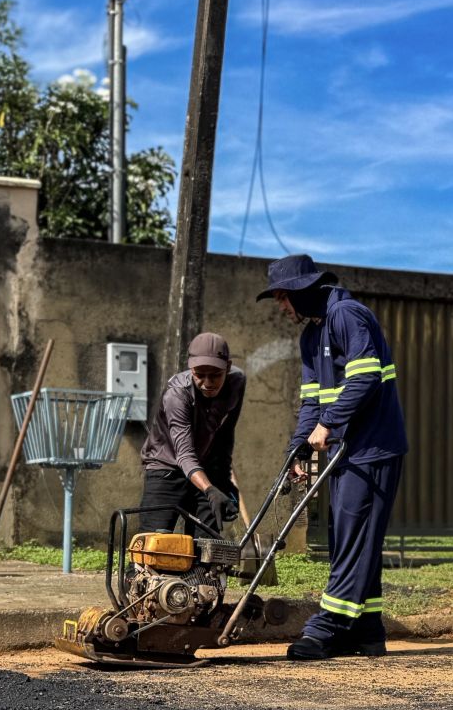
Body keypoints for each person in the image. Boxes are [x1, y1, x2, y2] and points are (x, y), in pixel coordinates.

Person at [258, 254, 407, 659]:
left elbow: (366, 377)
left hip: (373, 448)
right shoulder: (311, 337)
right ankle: (367, 630)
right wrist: (299, 450)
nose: (281, 307)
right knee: (350, 537)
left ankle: (327, 627)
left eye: (283, 298)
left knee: (353, 538)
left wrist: (328, 425)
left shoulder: (347, 315)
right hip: (345, 452)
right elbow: (310, 403)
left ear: (303, 291)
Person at [138, 332, 247, 534]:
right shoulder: (177, 394)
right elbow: (184, 455)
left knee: (206, 546)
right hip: (166, 468)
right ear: (190, 369)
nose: (207, 382)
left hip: (205, 469)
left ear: (228, 367)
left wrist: (223, 481)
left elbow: (225, 435)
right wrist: (210, 489)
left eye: (215, 375)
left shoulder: (236, 383)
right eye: (199, 374)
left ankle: (199, 567)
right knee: (153, 547)